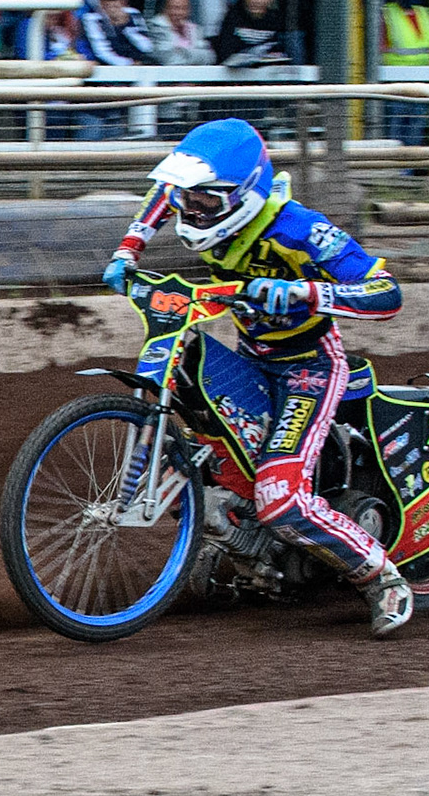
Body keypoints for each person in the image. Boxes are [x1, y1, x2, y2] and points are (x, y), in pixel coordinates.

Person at [101, 119, 410, 636]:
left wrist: (306, 294)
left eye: (203, 202)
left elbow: (386, 292)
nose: (188, 211)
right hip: (250, 355)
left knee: (280, 499)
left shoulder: (300, 230)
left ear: (242, 196)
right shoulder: (193, 200)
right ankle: (229, 538)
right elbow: (163, 191)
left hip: (308, 368)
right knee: (187, 373)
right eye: (187, 200)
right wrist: (130, 246)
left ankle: (383, 578)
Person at [147, 0, 214, 65]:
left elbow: (209, 57)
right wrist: (195, 55)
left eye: (184, 8)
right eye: (175, 8)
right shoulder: (155, 28)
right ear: (165, 10)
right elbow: (169, 60)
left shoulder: (195, 29)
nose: (179, 13)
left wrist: (182, 51)